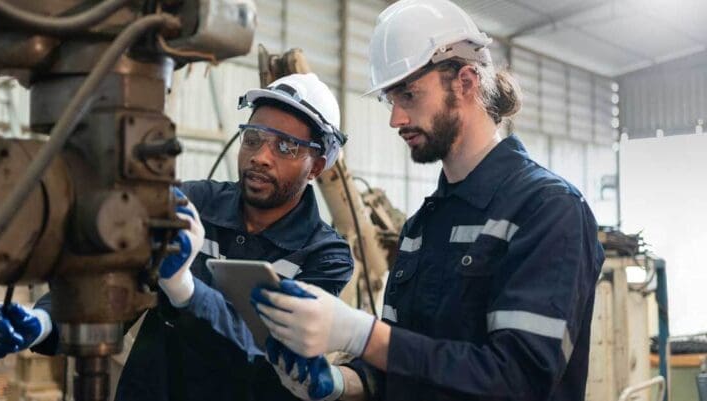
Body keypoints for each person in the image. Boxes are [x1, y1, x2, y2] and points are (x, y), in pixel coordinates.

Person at [253, 1, 605, 400]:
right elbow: (403, 364)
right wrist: (340, 383)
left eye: (409, 94)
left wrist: (361, 333)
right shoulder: (422, 226)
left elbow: (519, 380)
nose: (396, 119)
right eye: (391, 99)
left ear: (467, 82)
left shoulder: (548, 209)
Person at [0, 73, 355, 401]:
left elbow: (268, 354)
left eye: (285, 146)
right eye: (253, 138)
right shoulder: (196, 202)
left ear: (316, 166)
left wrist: (184, 288)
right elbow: (116, 274)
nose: (260, 156)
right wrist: (46, 319)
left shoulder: (325, 256)